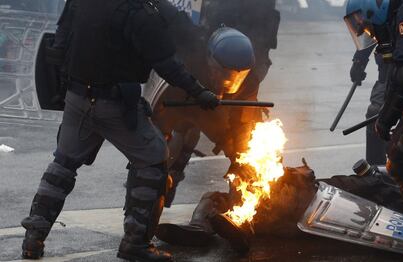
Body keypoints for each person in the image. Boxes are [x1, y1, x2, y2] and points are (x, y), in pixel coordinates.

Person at [20, 0, 219, 261]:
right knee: (153, 160)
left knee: (63, 165)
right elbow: (167, 65)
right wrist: (200, 92)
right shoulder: (139, 13)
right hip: (114, 105)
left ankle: (33, 239)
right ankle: (135, 243)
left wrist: (67, 89)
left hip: (76, 98)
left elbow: (58, 47)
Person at [148, 0, 280, 246]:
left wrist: (240, 152)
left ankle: (236, 217)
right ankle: (153, 204)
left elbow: (242, 125)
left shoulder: (248, 75)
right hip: (192, 91)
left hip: (241, 57)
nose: (229, 81)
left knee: (245, 153)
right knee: (161, 152)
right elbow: (162, 118)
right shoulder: (188, 61)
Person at [344, 0, 403, 209]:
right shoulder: (399, 10)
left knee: (400, 160)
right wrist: (360, 59)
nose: (372, 34)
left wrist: (385, 121)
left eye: (369, 28)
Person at [349, 46, 391, 165]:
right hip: (387, 76)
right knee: (375, 114)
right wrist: (359, 59)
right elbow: (372, 31)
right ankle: (376, 172)